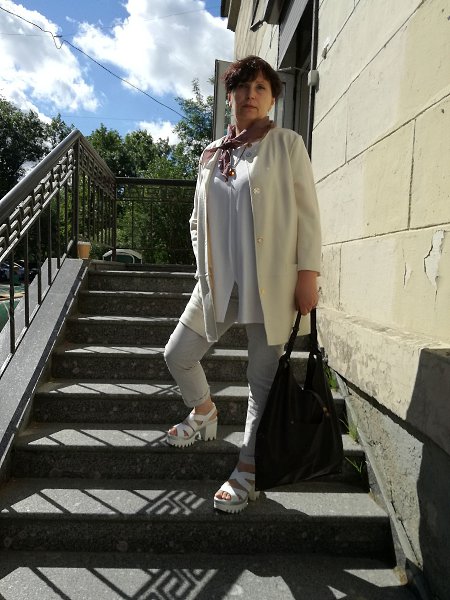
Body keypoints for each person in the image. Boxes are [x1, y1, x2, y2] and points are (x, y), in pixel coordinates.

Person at [164, 55, 321, 514]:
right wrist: (202, 263)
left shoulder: (286, 144)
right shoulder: (212, 154)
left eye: (260, 88)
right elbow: (197, 219)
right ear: (228, 95)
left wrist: (308, 274)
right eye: (242, 88)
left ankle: (248, 470)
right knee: (177, 353)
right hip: (218, 283)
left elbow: (308, 214)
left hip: (271, 283)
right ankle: (204, 411)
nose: (250, 95)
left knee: (262, 382)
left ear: (272, 99)